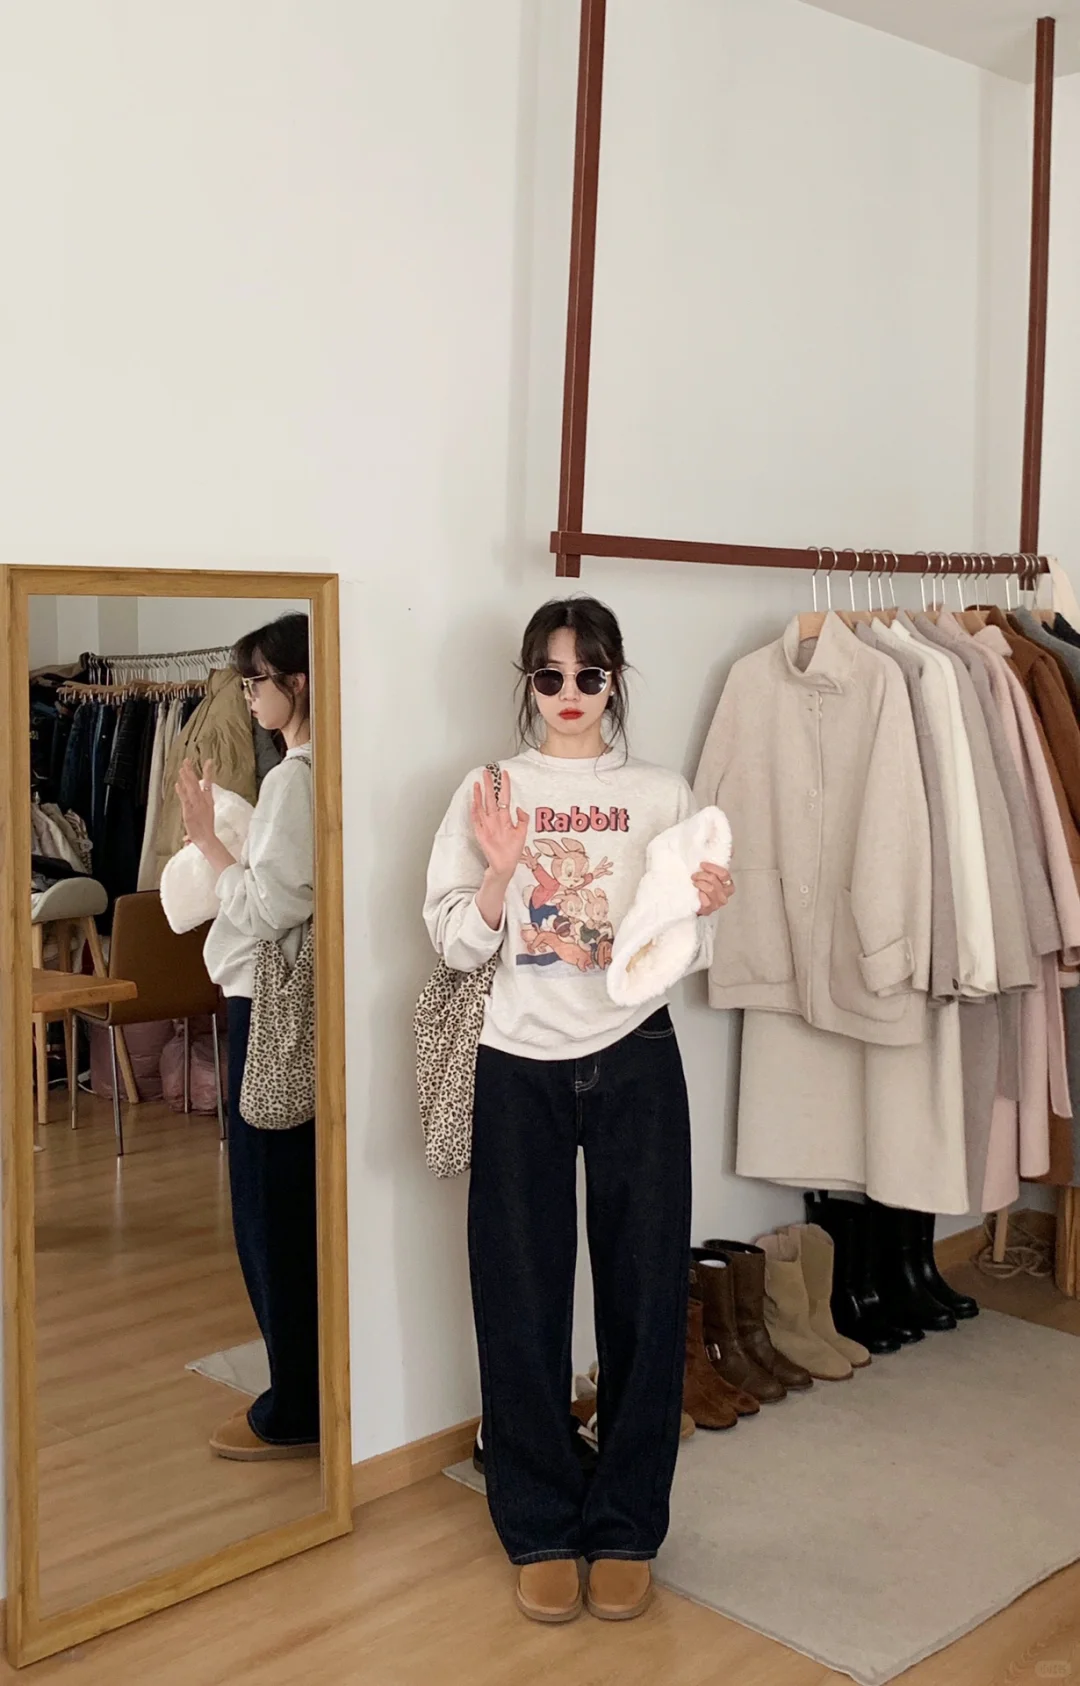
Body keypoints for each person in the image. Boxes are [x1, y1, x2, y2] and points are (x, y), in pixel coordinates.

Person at [423, 597, 733, 1624]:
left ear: (614, 681)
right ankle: (540, 1520)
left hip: (636, 1054)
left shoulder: (661, 792)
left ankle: (630, 1522)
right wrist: (500, 872)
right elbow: (451, 942)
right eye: (549, 676)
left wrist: (703, 909)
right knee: (519, 1295)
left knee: (646, 1289)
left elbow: (687, 953)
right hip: (516, 1062)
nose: (568, 694)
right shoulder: (490, 788)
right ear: (528, 682)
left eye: (588, 675)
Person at [176, 612, 319, 1461]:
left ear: (296, 682)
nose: (249, 697)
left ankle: (294, 1402)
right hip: (280, 1002)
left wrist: (208, 845)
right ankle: (304, 1390)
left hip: (267, 1003)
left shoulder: (297, 778)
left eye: (256, 681)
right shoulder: (312, 770)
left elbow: (269, 906)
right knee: (285, 1203)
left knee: (267, 1208)